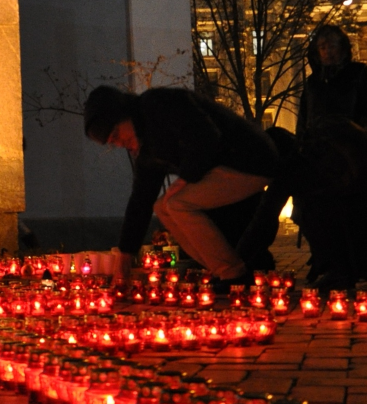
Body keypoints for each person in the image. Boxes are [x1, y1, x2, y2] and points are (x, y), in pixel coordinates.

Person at [83, 85, 278, 287]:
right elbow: (140, 202)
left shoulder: (158, 104)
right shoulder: (147, 150)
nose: (118, 143)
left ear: (125, 114)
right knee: (162, 207)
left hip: (250, 158)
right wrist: (124, 259)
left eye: (115, 134)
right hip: (222, 169)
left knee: (178, 203)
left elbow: (205, 135)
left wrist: (184, 179)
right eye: (111, 142)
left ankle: (233, 274)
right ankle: (218, 269)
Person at [239, 118, 367, 291]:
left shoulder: (294, 165)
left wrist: (236, 263)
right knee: (361, 249)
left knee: (303, 209)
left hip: (354, 225)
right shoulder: (324, 149)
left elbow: (265, 218)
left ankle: (341, 271)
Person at [297, 24, 367, 137]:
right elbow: (304, 118)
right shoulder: (313, 82)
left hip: (353, 146)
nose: (327, 52)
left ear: (342, 48)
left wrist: (359, 136)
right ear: (317, 52)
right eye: (323, 48)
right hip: (320, 147)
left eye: (332, 46)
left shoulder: (358, 72)